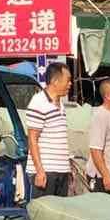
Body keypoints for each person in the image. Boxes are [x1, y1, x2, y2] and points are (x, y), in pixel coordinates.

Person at [24, 62, 73, 197]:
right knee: (44, 215)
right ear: (55, 81)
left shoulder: (60, 104)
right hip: (46, 172)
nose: (70, 84)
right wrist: (40, 171)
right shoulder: (38, 102)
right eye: (67, 80)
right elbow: (32, 139)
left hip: (61, 170)